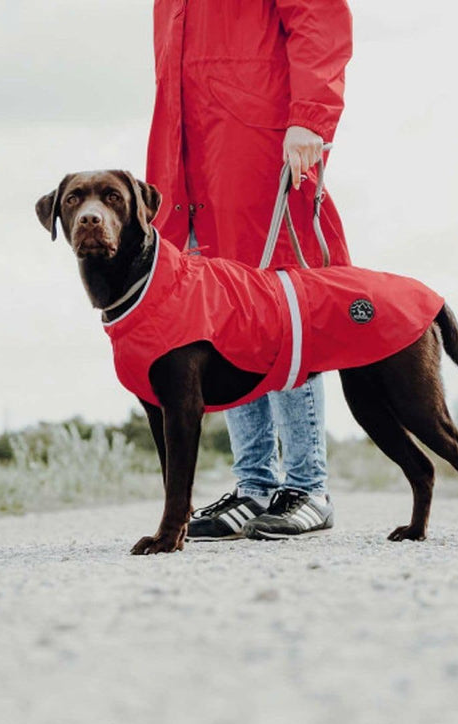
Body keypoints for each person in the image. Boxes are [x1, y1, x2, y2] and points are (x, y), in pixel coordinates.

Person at [146, 0, 353, 540]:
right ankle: (255, 484)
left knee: (282, 307)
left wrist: (310, 116)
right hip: (192, 163)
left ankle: (308, 486)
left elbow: (319, 18)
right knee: (221, 321)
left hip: (255, 146)